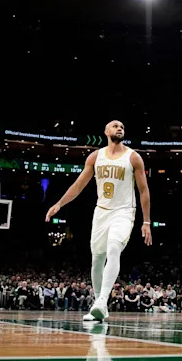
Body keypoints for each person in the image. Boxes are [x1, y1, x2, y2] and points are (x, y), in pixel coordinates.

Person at [46, 120, 153, 322]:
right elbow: (79, 185)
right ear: (106, 131)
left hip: (123, 212)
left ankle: (102, 301)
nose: (119, 128)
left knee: (114, 248)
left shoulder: (133, 157)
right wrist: (59, 204)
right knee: (97, 258)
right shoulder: (96, 157)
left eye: (122, 126)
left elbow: (143, 190)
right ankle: (99, 304)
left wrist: (146, 222)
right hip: (101, 212)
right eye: (115, 126)